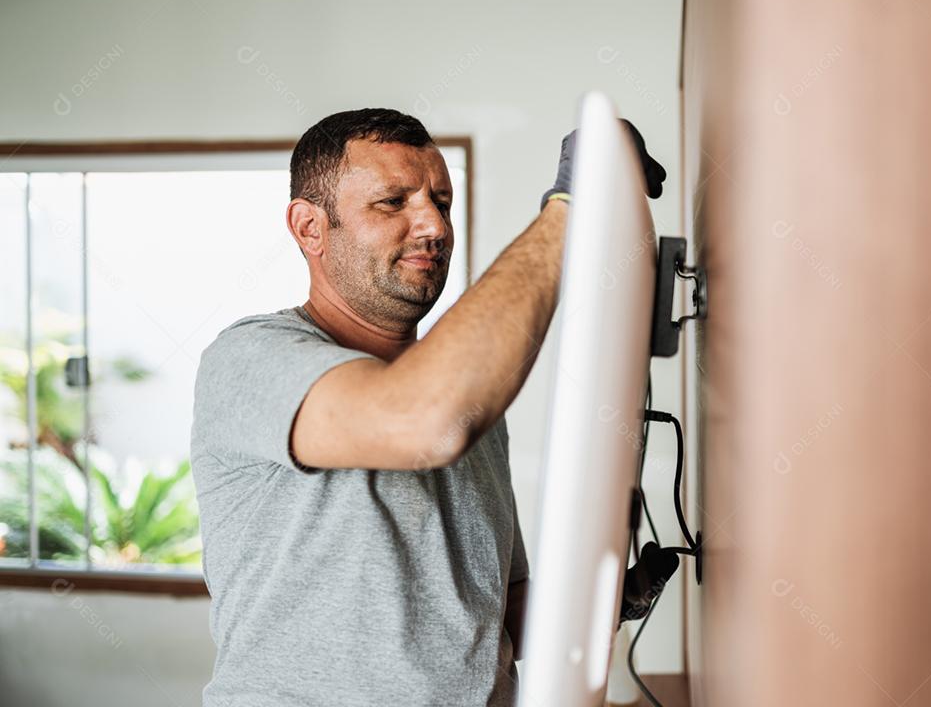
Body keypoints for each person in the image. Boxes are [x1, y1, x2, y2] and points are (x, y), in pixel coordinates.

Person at [189, 107, 665, 706]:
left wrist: (607, 601)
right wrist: (574, 204)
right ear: (310, 227)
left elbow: (492, 618)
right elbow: (423, 420)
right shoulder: (249, 358)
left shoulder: (470, 399)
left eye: (441, 201)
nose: (434, 226)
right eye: (393, 202)